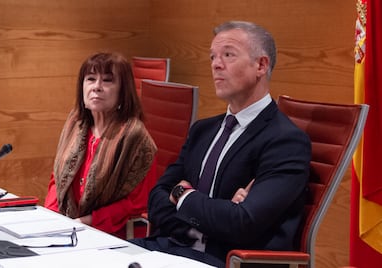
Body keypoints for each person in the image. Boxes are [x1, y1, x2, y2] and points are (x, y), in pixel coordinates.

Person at [130, 21, 311, 267]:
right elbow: (156, 200)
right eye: (213, 57)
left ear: (261, 65)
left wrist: (182, 195)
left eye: (228, 54)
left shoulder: (285, 140)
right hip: (171, 248)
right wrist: (213, 212)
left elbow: (242, 223)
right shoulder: (203, 130)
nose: (216, 64)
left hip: (221, 260)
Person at [44, 52, 157, 238]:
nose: (97, 87)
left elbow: (137, 203)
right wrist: (52, 218)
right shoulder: (75, 124)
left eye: (107, 80)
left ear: (123, 91)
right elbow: (58, 179)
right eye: (90, 79)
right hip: (66, 229)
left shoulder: (135, 138)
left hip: (109, 234)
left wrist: (87, 222)